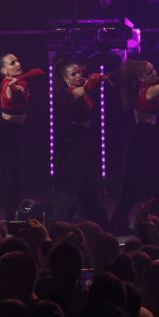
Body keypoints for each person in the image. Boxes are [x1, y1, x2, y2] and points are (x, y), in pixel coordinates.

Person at [0, 53, 44, 222]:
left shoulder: (17, 81)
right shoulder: (9, 84)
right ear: (4, 71)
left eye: (17, 60)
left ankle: (13, 227)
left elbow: (40, 72)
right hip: (5, 137)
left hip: (13, 135)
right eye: (13, 63)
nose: (18, 63)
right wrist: (18, 87)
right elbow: (12, 89)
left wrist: (21, 80)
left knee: (11, 185)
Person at [51, 60, 108, 227]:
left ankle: (98, 223)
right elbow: (84, 90)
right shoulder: (72, 93)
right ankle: (58, 224)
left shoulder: (80, 89)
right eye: (73, 74)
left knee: (85, 182)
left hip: (83, 136)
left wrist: (98, 78)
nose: (78, 75)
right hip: (73, 139)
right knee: (73, 183)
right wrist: (95, 80)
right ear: (66, 79)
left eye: (79, 72)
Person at [110, 59, 159, 235]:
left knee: (141, 185)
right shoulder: (149, 90)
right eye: (150, 72)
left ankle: (118, 222)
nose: (155, 73)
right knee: (142, 185)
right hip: (143, 139)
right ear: (141, 77)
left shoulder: (143, 88)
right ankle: (117, 223)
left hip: (143, 139)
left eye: (154, 69)